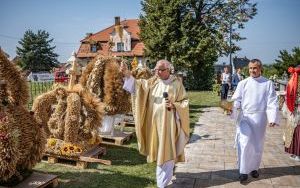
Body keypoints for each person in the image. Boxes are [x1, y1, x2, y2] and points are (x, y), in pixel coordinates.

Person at [120, 59, 190, 188]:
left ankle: (162, 183)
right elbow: (138, 87)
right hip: (153, 125)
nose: (157, 72)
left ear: (168, 70)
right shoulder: (153, 82)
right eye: (156, 69)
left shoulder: (176, 84)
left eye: (160, 70)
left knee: (167, 150)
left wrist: (174, 105)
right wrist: (127, 74)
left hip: (169, 126)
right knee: (159, 150)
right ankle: (163, 180)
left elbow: (184, 102)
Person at [231, 59, 279, 183]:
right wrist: (235, 105)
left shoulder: (268, 83)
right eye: (250, 68)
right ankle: (243, 171)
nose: (252, 70)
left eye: (255, 68)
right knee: (245, 142)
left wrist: (272, 118)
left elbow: (272, 101)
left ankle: (254, 168)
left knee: (257, 144)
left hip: (260, 118)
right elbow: (237, 98)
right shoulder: (243, 83)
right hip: (245, 117)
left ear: (260, 69)